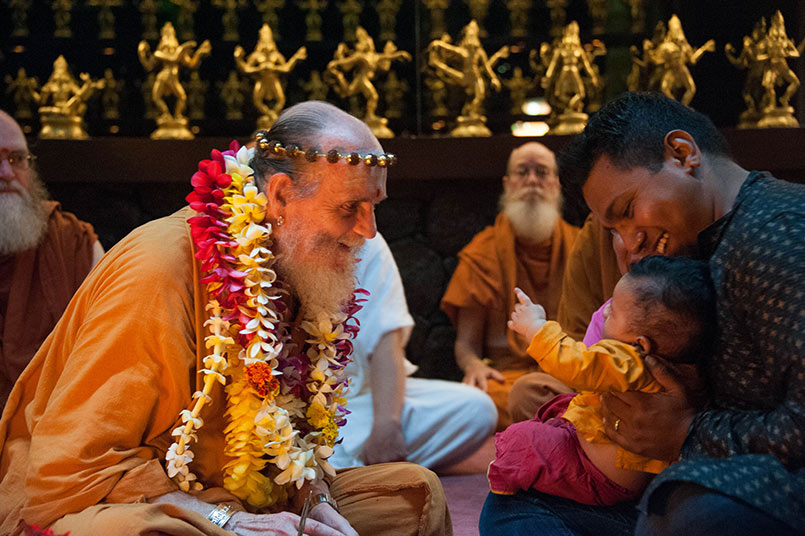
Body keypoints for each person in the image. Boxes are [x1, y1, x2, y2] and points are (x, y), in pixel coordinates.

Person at [0, 102, 451, 536]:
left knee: (410, 498)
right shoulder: (160, 266)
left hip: (250, 500)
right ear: (280, 195)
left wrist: (316, 500)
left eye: (376, 207)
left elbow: (287, 440)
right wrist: (222, 521)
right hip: (128, 507)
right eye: (349, 208)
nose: (368, 231)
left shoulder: (298, 265)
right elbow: (68, 476)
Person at [480, 91, 804, 535]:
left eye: (629, 212)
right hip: (661, 470)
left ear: (681, 154)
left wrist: (687, 431)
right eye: (615, 229)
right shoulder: (700, 240)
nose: (630, 243)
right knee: (516, 503)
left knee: (696, 513)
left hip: (749, 483)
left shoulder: (779, 237)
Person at [489, 256, 716, 506]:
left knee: (522, 437)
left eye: (614, 312)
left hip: (598, 475)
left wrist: (536, 327)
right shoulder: (679, 366)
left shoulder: (629, 360)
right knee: (557, 406)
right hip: (613, 468)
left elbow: (576, 364)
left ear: (640, 343)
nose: (605, 310)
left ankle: (509, 478)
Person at [330, 232, 497, 471]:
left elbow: (386, 334)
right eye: (353, 206)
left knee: (476, 409)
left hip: (358, 404)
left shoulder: (367, 239)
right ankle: (341, 466)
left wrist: (387, 425)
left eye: (372, 206)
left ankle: (340, 465)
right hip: (288, 416)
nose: (369, 224)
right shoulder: (263, 247)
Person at [441, 141, 579, 430]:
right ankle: (566, 427)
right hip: (507, 380)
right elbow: (466, 344)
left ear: (556, 184)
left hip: (569, 374)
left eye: (542, 172)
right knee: (478, 402)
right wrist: (475, 367)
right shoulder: (483, 251)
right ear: (507, 184)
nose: (532, 180)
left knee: (589, 394)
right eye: (522, 172)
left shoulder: (581, 247)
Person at [0, 109, 104, 409]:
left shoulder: (71, 241)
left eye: (16, 159)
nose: (7, 174)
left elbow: (113, 350)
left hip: (51, 426)